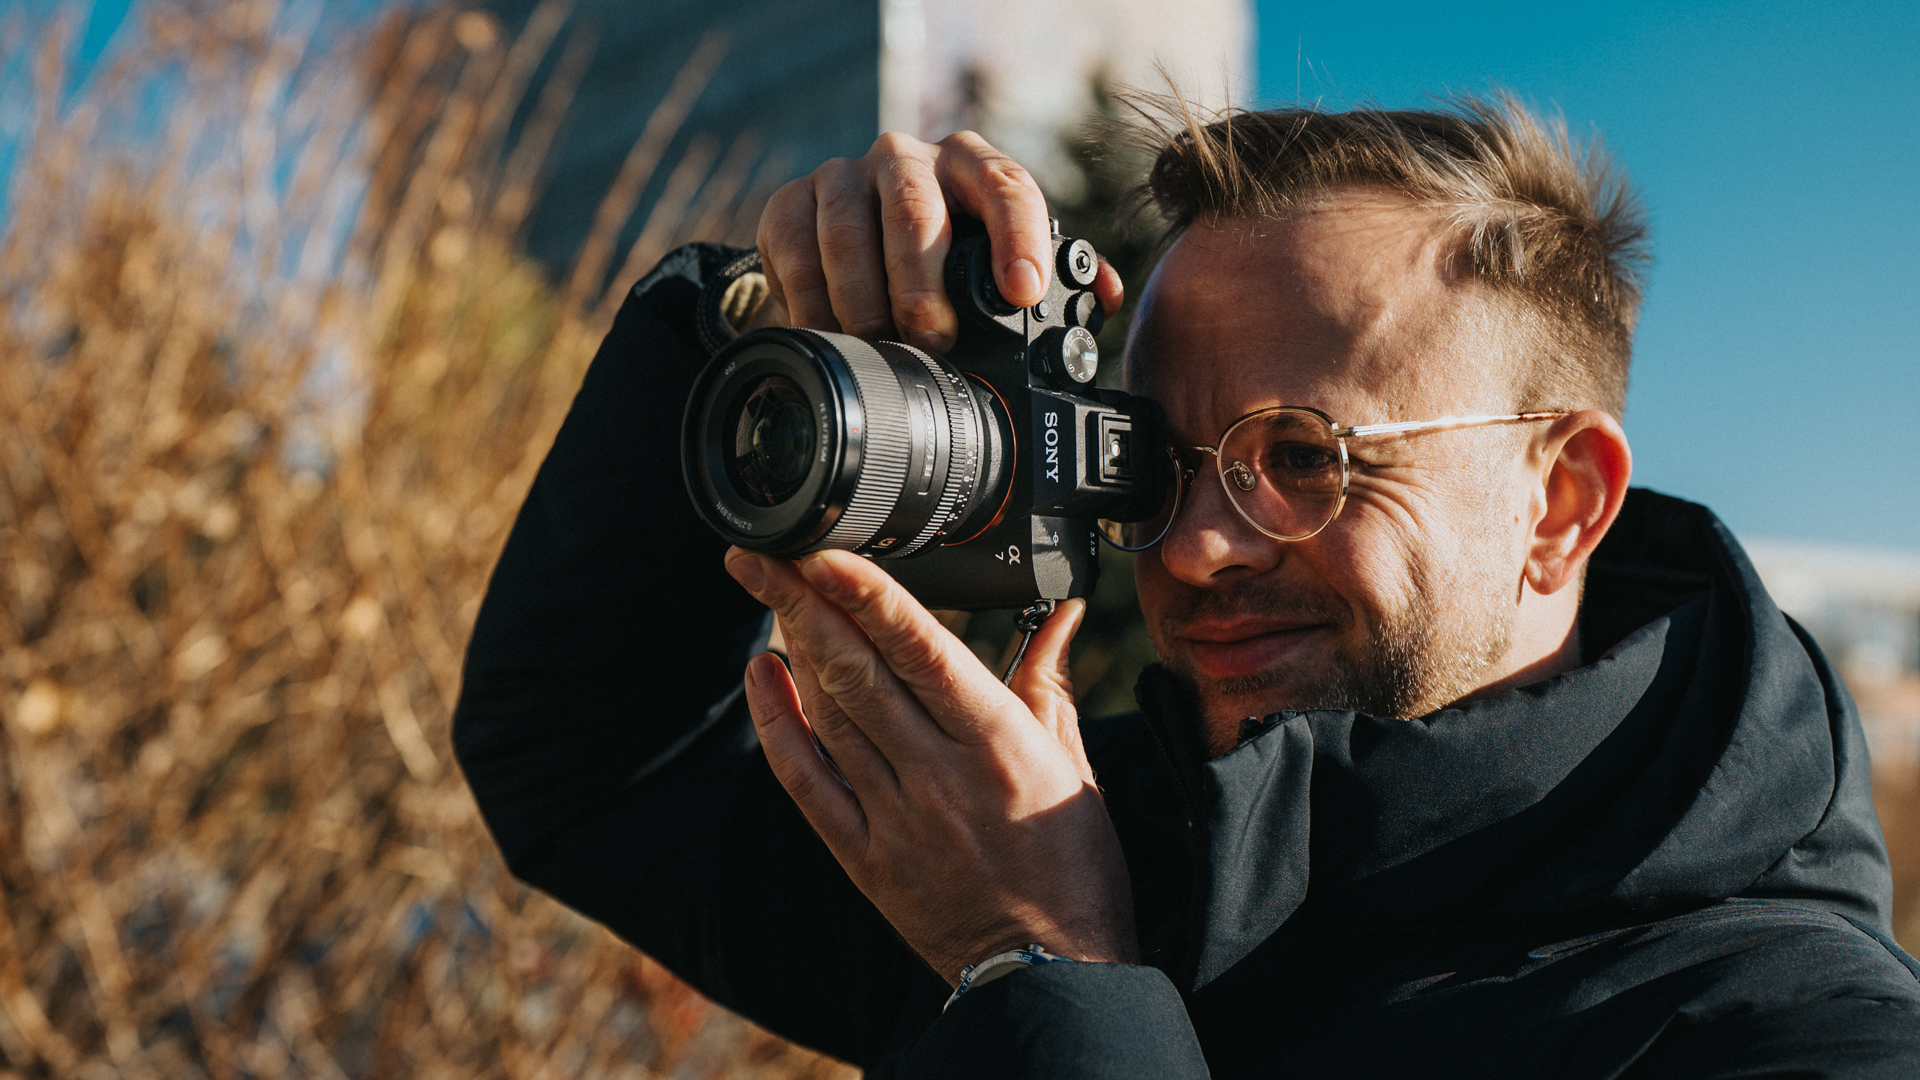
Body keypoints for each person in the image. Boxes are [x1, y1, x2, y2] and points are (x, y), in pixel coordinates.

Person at [451, 95, 1920, 1077]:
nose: (1198, 547)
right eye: (1154, 464)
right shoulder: (1110, 841)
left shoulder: (1794, 1031)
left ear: (1561, 502)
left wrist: (1044, 980)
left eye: (1303, 457)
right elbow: (585, 755)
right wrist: (746, 326)